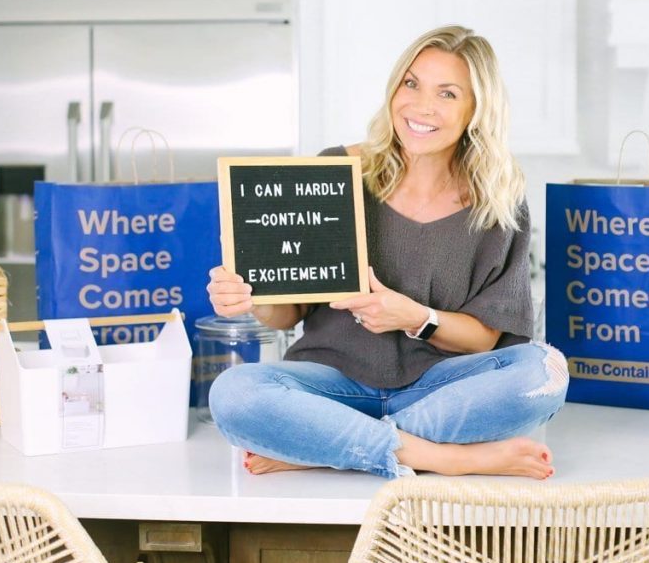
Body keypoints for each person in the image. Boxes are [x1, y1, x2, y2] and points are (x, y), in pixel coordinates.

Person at [206, 25, 568, 480]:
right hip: (330, 385)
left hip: (438, 387)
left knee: (543, 370)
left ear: (477, 109)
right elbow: (287, 314)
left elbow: (485, 340)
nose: (421, 106)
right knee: (234, 393)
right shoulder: (337, 168)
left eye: (448, 94)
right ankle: (442, 457)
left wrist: (416, 317)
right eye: (411, 83)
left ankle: (325, 446)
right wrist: (252, 298)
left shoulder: (499, 199)